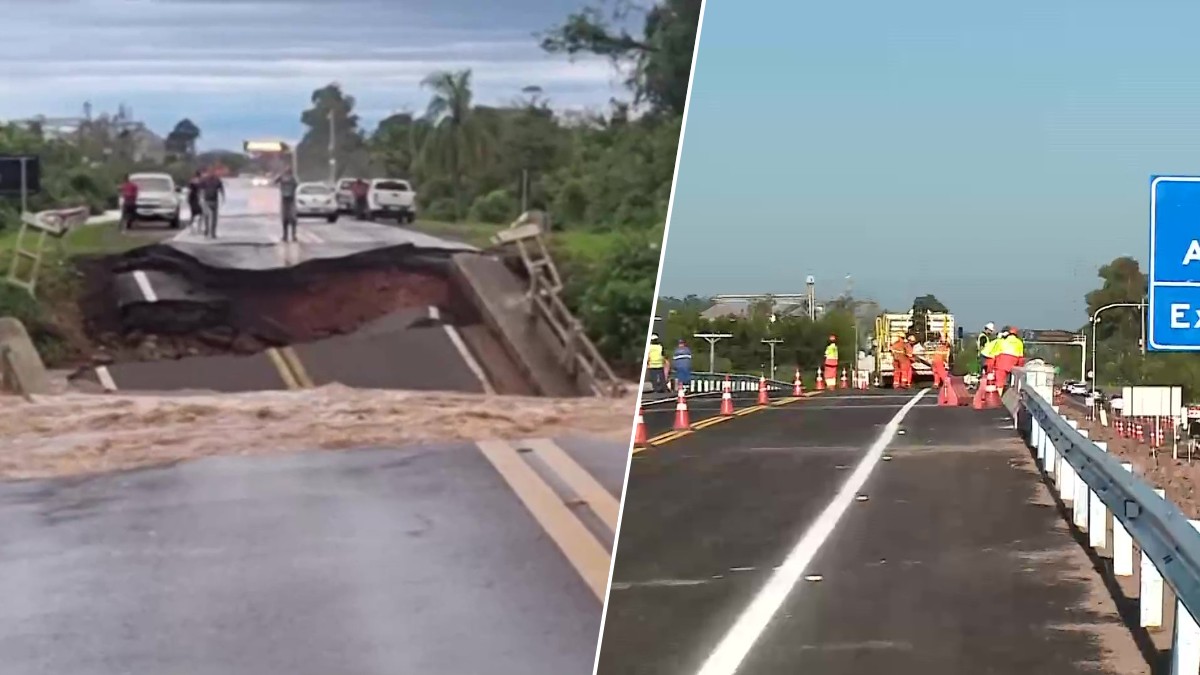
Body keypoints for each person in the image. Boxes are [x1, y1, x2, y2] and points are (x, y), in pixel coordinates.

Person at [199, 169, 226, 238]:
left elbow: (221, 189)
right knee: (207, 216)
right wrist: (200, 198)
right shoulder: (205, 180)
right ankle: (208, 231)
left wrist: (223, 197)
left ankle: (212, 232)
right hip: (207, 200)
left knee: (213, 217)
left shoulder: (216, 180)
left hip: (213, 201)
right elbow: (201, 190)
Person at [275, 169, 299, 242]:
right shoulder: (289, 178)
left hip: (289, 199)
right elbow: (275, 181)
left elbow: (296, 185)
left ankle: (290, 236)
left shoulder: (291, 178)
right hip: (287, 199)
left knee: (291, 218)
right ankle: (288, 236)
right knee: (288, 218)